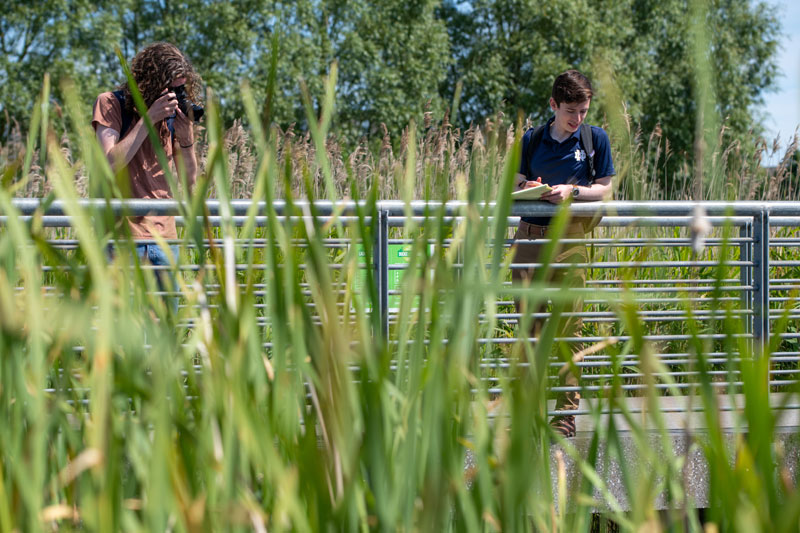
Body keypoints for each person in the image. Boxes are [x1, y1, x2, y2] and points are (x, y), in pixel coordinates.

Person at [512, 69, 615, 438]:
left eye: (584, 110)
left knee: (569, 326)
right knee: (529, 324)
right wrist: (529, 186)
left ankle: (564, 415)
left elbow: (605, 189)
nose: (578, 118)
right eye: (571, 110)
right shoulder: (531, 139)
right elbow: (515, 182)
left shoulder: (594, 139)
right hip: (529, 235)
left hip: (571, 237)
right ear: (553, 104)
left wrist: (572, 192)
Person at [92, 42, 202, 312]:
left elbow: (190, 186)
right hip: (122, 239)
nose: (176, 96)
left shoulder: (171, 118)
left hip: (165, 240)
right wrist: (148, 117)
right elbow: (109, 163)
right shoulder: (110, 103)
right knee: (122, 337)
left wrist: (186, 141)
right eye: (172, 89)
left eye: (181, 89)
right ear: (150, 82)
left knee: (164, 338)